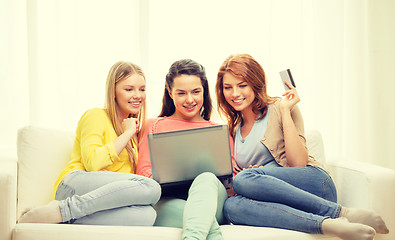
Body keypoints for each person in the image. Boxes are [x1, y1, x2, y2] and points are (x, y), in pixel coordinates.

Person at [215, 54, 389, 240]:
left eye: (242, 85)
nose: (235, 93)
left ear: (255, 84)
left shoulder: (280, 107)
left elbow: (298, 163)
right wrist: (256, 177)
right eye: (228, 87)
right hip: (280, 201)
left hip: (314, 185)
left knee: (244, 179)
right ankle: (327, 225)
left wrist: (285, 111)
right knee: (231, 207)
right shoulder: (233, 128)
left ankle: (341, 212)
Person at [18, 61, 161, 225]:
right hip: (74, 185)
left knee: (147, 216)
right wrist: (128, 133)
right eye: (129, 89)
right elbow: (93, 163)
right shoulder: (96, 116)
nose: (138, 95)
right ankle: (64, 209)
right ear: (113, 91)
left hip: (97, 198)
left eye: (142, 89)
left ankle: (60, 218)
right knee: (151, 187)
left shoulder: (135, 135)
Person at [137, 59, 231, 240]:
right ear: (170, 93)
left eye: (196, 92)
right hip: (169, 201)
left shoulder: (218, 131)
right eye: (181, 93)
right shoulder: (154, 126)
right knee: (195, 216)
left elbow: (231, 180)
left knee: (206, 178)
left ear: (204, 90)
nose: (190, 100)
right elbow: (143, 173)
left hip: (211, 199)